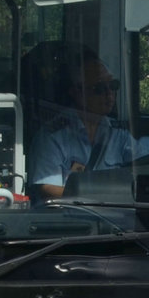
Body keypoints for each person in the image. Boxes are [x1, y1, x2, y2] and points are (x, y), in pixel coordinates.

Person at [27, 49, 135, 200]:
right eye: (99, 88)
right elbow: (47, 189)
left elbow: (148, 163)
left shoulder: (119, 133)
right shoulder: (52, 137)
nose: (109, 93)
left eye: (113, 85)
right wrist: (98, 198)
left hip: (114, 212)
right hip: (69, 214)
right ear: (76, 92)